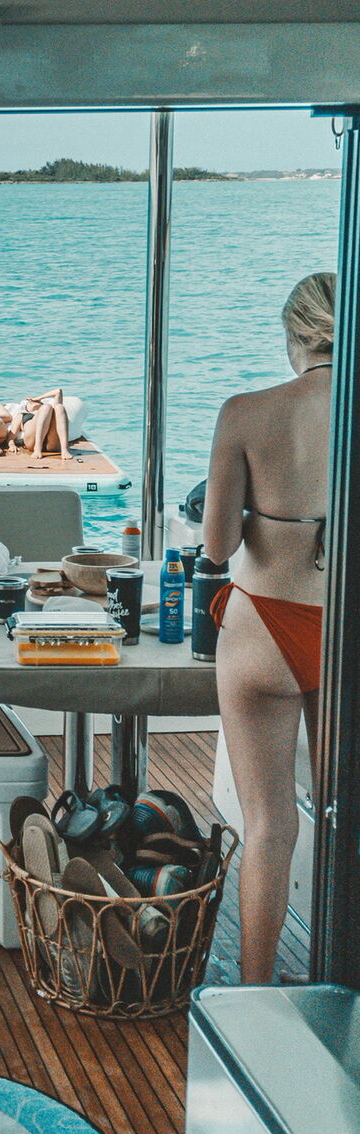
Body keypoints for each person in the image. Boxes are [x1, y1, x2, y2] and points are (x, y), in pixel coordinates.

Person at [202, 271, 334, 984]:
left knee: (270, 824)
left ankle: (256, 991)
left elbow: (218, 546)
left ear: (294, 336)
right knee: (347, 822)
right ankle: (339, 985)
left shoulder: (245, 413)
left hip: (262, 631)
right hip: (344, 632)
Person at [9, 386, 72, 457]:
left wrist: (39, 398)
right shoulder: (22, 415)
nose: (32, 401)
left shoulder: (50, 411)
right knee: (46, 407)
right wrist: (11, 445)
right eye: (29, 402)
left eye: (36, 401)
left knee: (59, 407)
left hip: (52, 444)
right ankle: (37, 448)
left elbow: (58, 391)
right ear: (26, 408)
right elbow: (10, 437)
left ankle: (64, 449)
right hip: (32, 441)